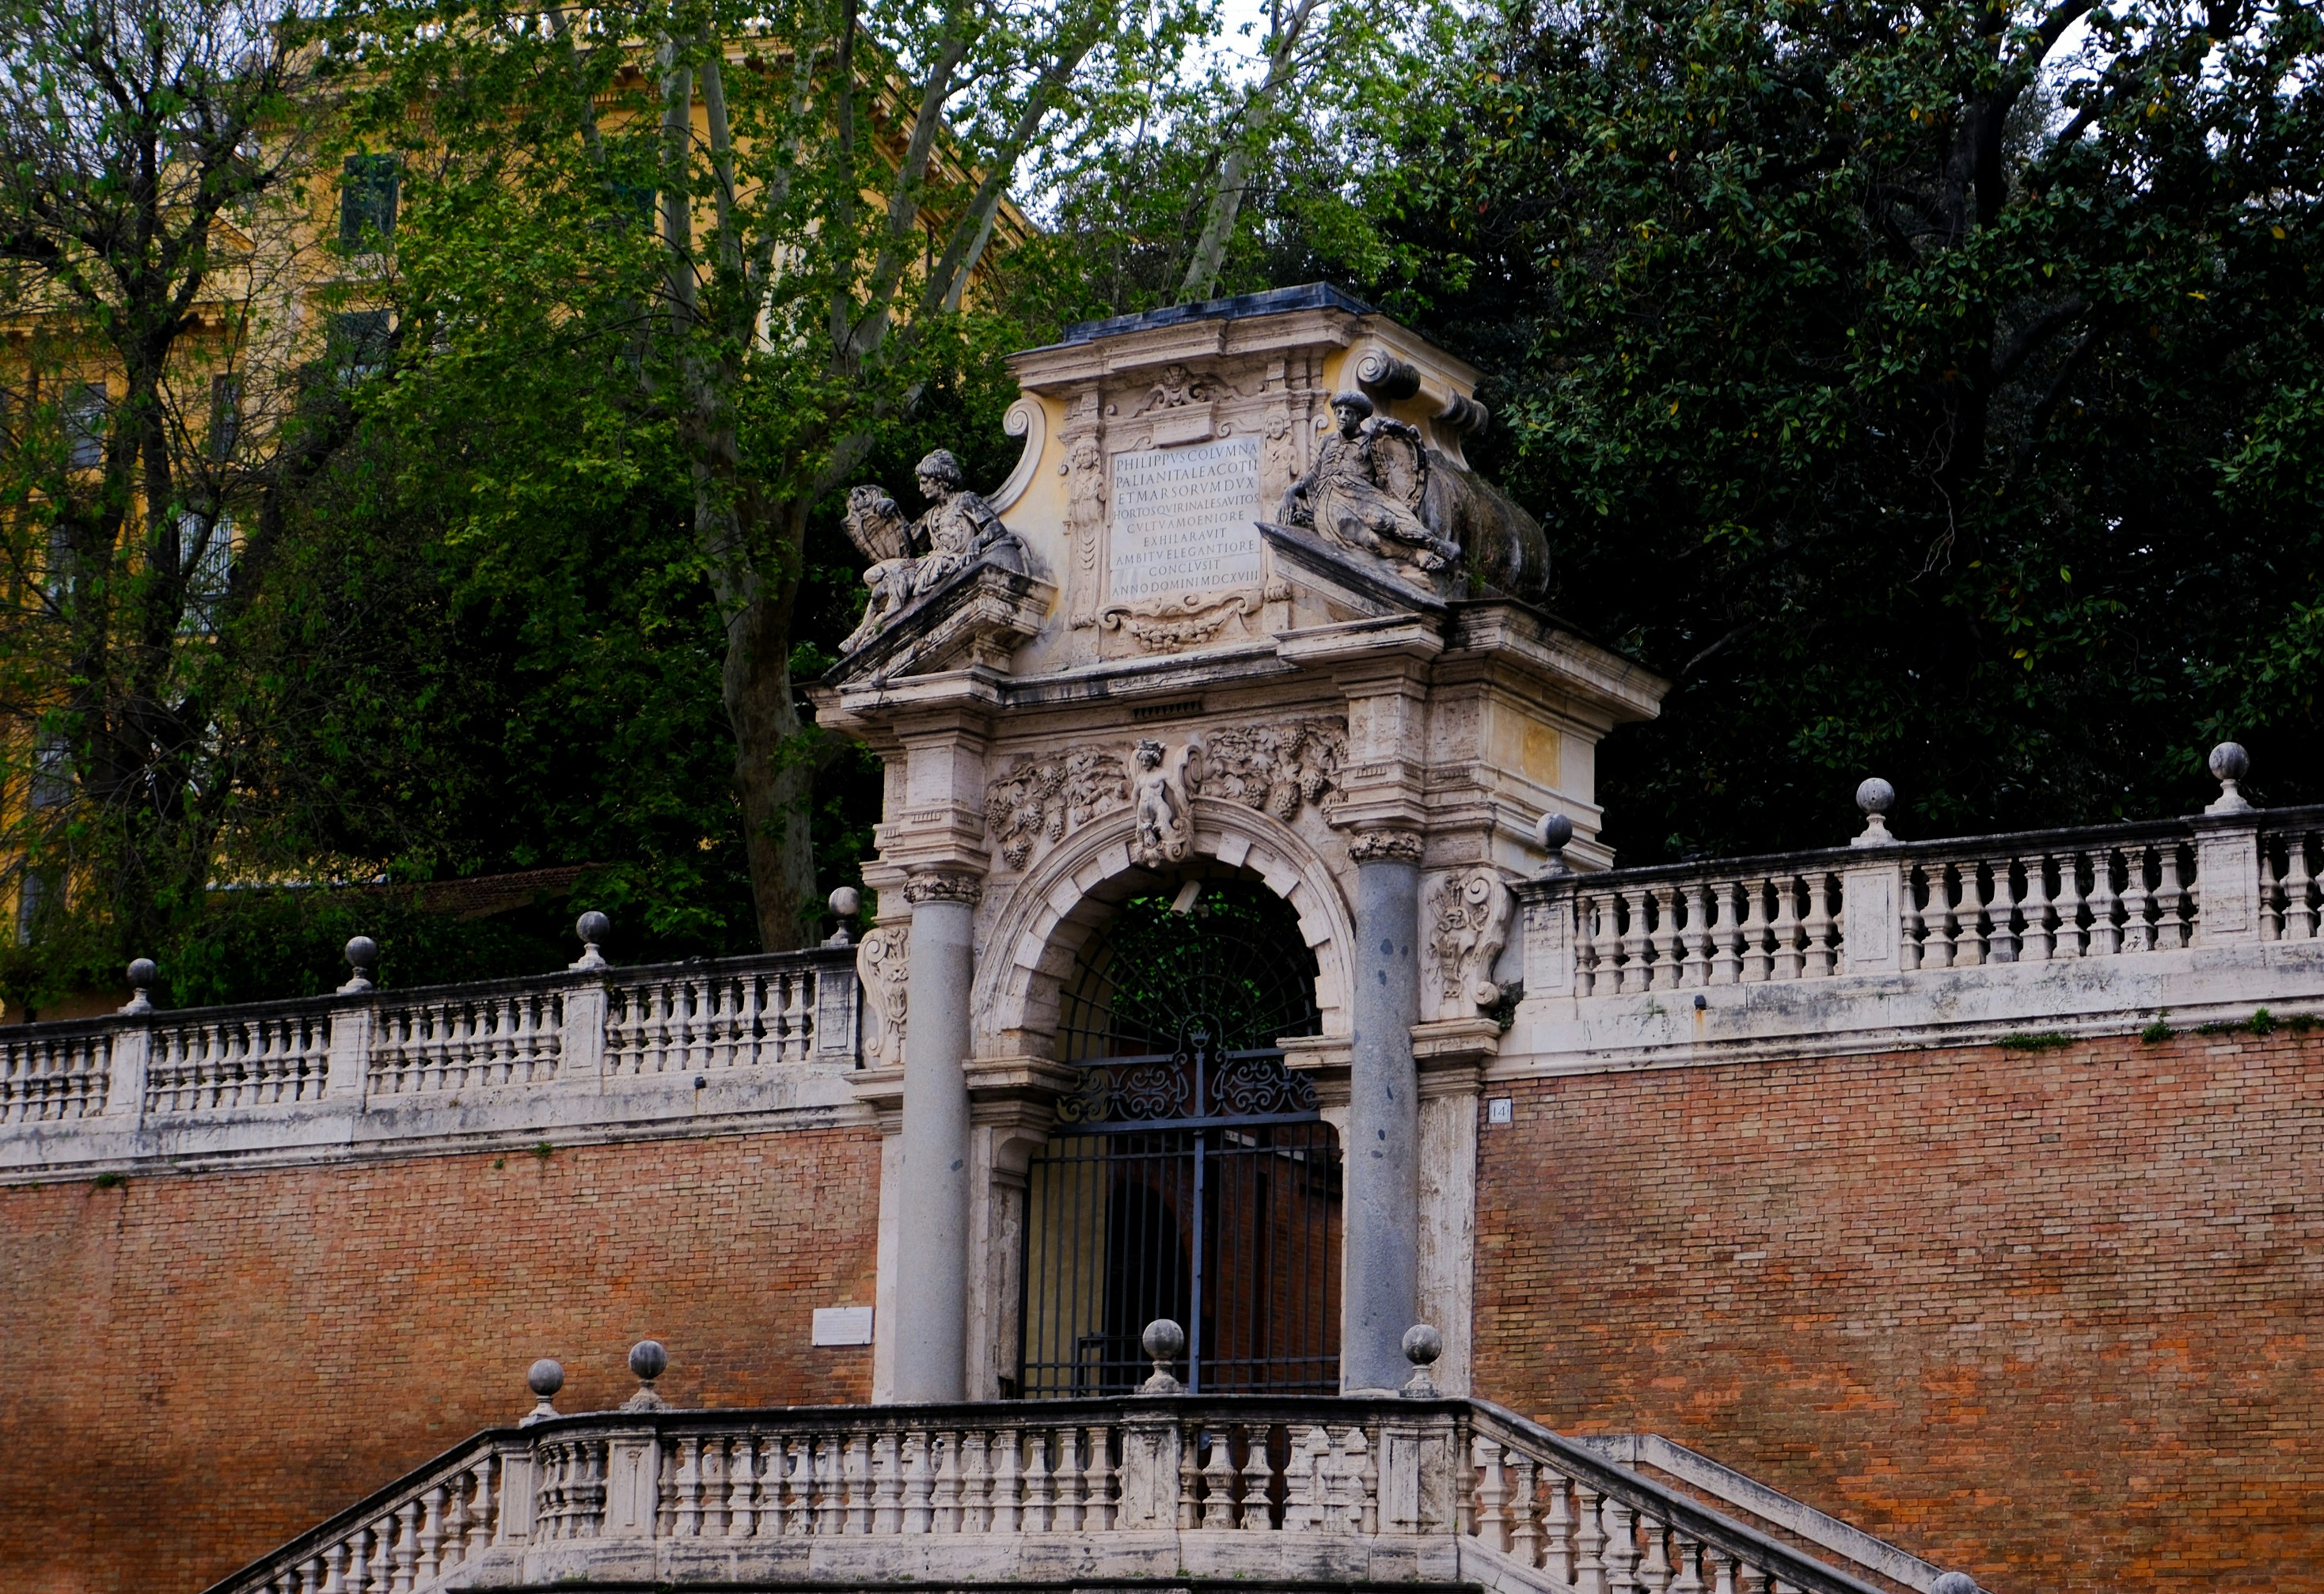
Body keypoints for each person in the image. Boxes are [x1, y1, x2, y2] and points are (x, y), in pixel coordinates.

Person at [1279, 391, 1460, 579]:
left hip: (1361, 495)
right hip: (1330, 505)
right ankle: (1414, 555)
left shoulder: (1370, 442)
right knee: (1370, 539)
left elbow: (1390, 475)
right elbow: (1314, 475)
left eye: (1347, 413)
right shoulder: (1327, 441)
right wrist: (1291, 490)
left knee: (1387, 520)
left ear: (1358, 417)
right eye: (1339, 412)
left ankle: (1435, 544)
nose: (1342, 416)